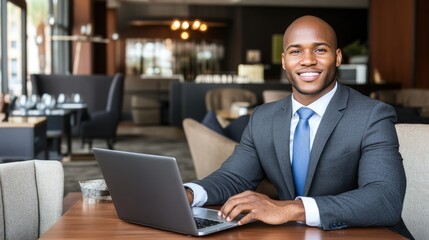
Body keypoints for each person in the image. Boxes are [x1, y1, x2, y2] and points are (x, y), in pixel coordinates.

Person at [184, 15, 413, 239]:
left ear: (338, 57)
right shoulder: (264, 117)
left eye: (320, 50)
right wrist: (189, 193)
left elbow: (385, 199)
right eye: (296, 51)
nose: (307, 60)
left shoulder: (372, 115)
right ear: (284, 61)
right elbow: (233, 178)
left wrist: (290, 209)